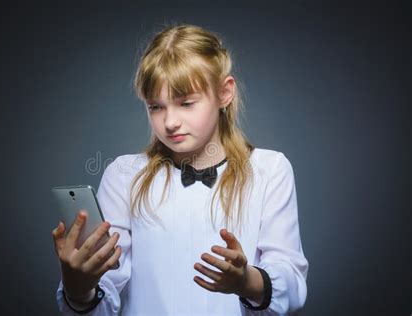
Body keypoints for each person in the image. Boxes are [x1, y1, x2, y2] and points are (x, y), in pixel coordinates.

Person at [51, 23, 308, 315]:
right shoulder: (124, 175)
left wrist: (247, 280)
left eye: (186, 103)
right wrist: (79, 286)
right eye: (156, 107)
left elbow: (291, 280)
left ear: (225, 93)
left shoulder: (269, 169)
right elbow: (105, 294)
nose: (170, 121)